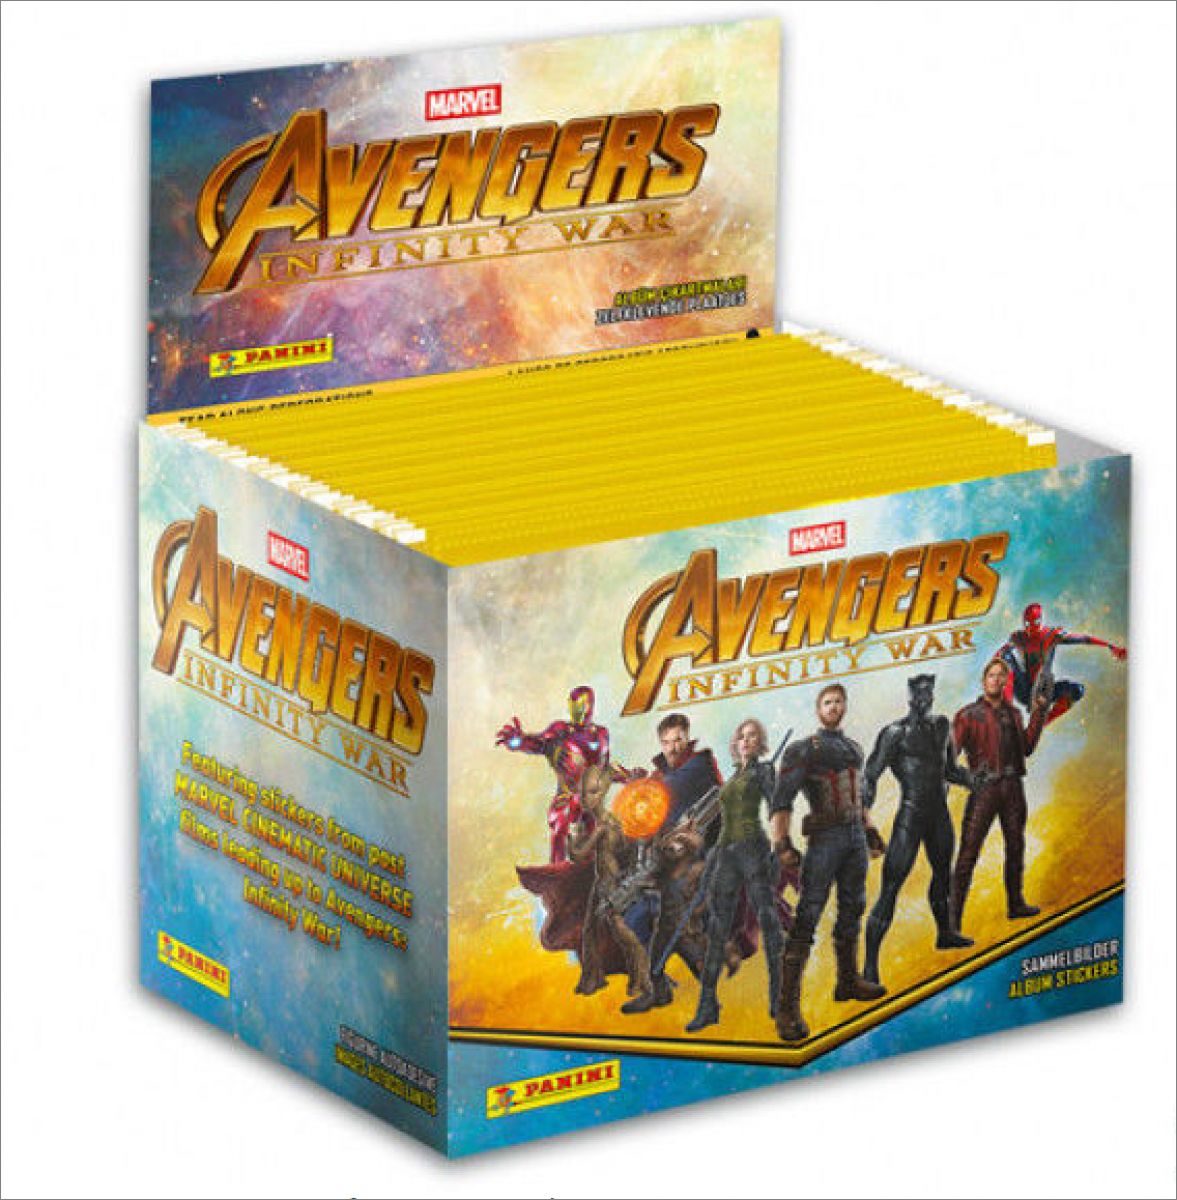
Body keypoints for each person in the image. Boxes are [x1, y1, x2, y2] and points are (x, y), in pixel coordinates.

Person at [771, 683, 886, 1043]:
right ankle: (786, 1009)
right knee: (808, 915)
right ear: (818, 709)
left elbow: (859, 796)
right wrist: (781, 843)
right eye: (828, 702)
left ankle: (848, 982)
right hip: (824, 840)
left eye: (839, 701)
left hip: (854, 838)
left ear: (845, 706)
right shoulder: (805, 749)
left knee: (854, 907)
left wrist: (870, 830)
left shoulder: (854, 749)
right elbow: (781, 800)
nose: (834, 707)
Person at [861, 674, 978, 987]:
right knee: (891, 887)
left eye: (928, 693)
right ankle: (869, 967)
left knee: (943, 875)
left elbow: (950, 770)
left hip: (938, 814)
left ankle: (945, 934)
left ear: (933, 696)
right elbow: (870, 774)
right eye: (919, 693)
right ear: (910, 697)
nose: (924, 698)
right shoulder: (894, 733)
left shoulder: (942, 726)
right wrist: (864, 813)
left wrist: (974, 780)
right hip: (911, 816)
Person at [685, 719, 784, 1033]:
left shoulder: (763, 772)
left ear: (759, 741)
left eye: (752, 736)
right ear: (736, 743)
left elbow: (777, 808)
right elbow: (722, 821)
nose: (746, 740)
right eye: (742, 736)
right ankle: (708, 1006)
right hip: (726, 854)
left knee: (768, 920)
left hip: (753, 848)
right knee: (717, 930)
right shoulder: (731, 780)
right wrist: (712, 856)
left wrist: (779, 846)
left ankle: (779, 999)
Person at [950, 658, 1048, 929]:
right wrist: (967, 779)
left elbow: (1026, 748)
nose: (995, 680)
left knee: (1016, 847)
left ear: (1005, 681)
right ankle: (952, 921)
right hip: (984, 790)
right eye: (991, 675)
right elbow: (948, 757)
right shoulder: (968, 715)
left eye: (999, 676)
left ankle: (1015, 904)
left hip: (1013, 787)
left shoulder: (1014, 714)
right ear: (984, 681)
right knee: (968, 854)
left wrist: (1038, 713)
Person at [496, 685, 643, 863]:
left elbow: (604, 768)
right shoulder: (561, 730)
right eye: (573, 706)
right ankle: (557, 869)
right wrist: (519, 741)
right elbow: (539, 744)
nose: (577, 711)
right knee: (560, 825)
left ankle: (591, 871)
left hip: (592, 800)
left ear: (590, 706)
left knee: (596, 838)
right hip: (567, 795)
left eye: (580, 706)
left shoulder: (601, 734)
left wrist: (628, 777)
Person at [995, 602, 1126, 727]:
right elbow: (1001, 653)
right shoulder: (1018, 637)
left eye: (1035, 623)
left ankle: (1043, 723)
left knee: (1077, 690)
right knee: (1006, 658)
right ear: (1024, 622)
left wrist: (1110, 646)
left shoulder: (1051, 635)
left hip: (1043, 692)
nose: (1031, 627)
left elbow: (1083, 639)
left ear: (1040, 621)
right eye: (1028, 623)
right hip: (1024, 691)